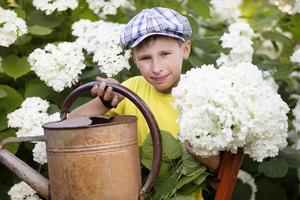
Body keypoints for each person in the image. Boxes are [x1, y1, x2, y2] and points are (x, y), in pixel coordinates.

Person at [69, 7, 220, 199]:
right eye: (145, 58)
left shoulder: (203, 97)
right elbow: (68, 128)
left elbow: (222, 173)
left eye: (165, 54)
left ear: (185, 49)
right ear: (134, 59)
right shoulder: (130, 91)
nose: (156, 68)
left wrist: (208, 157)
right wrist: (104, 103)